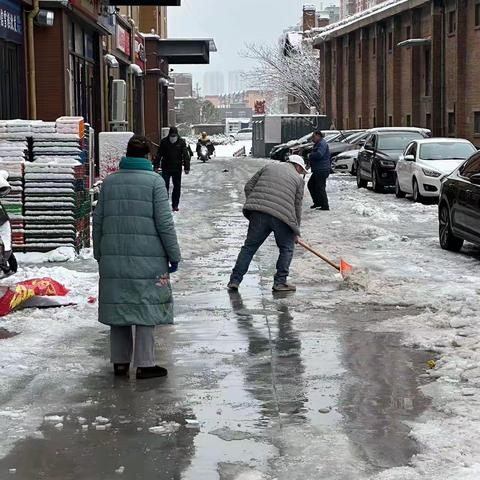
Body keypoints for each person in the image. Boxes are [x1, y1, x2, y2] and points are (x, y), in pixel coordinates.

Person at [93, 135, 181, 380]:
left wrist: (98, 252)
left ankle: (120, 362)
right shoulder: (155, 182)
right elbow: (165, 224)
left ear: (127, 155)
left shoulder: (109, 182)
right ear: (147, 157)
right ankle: (145, 363)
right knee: (145, 306)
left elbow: (97, 221)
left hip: (113, 256)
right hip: (148, 258)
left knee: (120, 306)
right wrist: (174, 255)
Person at [228, 155, 307, 292]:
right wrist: (295, 230)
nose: (301, 174)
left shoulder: (269, 167)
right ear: (298, 166)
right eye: (301, 171)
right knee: (286, 248)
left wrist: (256, 204)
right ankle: (280, 282)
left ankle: (234, 280)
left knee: (249, 248)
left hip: (258, 214)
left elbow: (248, 187)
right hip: (283, 217)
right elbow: (297, 206)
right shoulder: (298, 180)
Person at [154, 126, 190, 212]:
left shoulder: (181, 142)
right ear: (169, 135)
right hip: (166, 167)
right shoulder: (164, 142)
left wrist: (186, 167)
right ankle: (164, 204)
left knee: (177, 187)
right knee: (164, 186)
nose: (173, 137)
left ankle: (175, 205)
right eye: (171, 135)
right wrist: (156, 165)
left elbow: (185, 155)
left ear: (177, 135)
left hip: (177, 168)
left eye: (174, 135)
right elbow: (159, 154)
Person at [308, 130, 331, 211]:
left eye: (313, 137)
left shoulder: (322, 144)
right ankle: (317, 202)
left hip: (322, 169)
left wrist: (310, 155)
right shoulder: (318, 144)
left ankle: (325, 205)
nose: (312, 139)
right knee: (311, 185)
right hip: (318, 169)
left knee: (320, 187)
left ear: (318, 136)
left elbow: (319, 154)